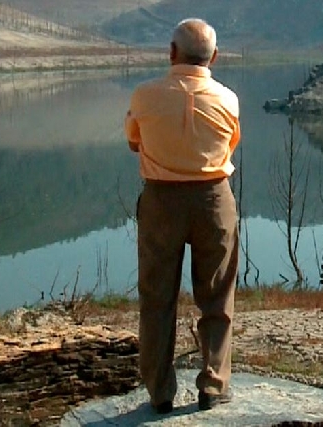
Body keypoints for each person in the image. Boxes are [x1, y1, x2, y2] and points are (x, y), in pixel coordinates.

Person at [124, 18, 241, 414]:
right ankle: (213, 382)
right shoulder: (228, 99)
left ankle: (159, 391)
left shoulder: (144, 96)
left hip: (161, 201)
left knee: (157, 298)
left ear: (171, 53)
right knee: (217, 295)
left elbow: (132, 141)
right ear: (215, 57)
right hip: (213, 200)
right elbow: (231, 144)